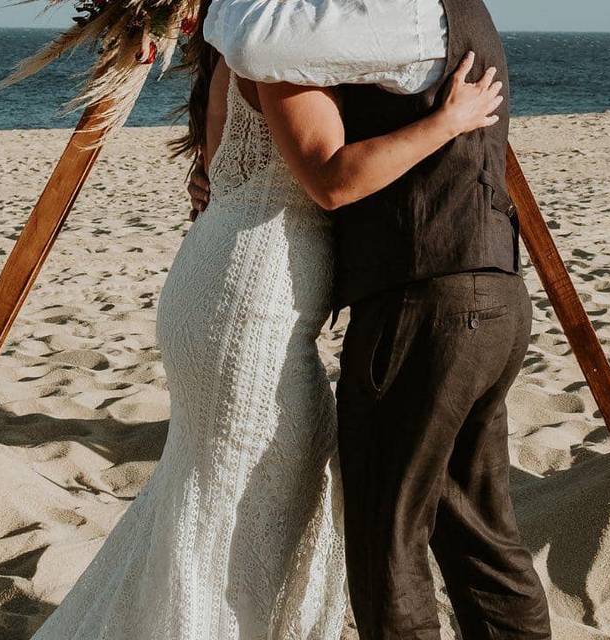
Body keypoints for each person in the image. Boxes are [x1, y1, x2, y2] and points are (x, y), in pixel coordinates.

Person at [29, 0, 506, 637]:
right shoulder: (281, 50)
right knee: (243, 494)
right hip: (251, 295)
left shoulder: (244, 42)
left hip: (239, 276)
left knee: (221, 489)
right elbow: (331, 181)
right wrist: (446, 122)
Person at [192, 0, 554, 638]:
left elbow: (258, 41)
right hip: (492, 289)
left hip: (423, 303)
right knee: (480, 537)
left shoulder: (407, 16)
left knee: (387, 541)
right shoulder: (452, 18)